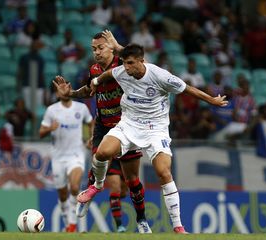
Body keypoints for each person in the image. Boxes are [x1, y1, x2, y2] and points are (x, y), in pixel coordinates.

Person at [54, 43, 228, 234]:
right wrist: (94, 83)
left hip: (156, 130)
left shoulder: (159, 75)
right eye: (123, 63)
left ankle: (178, 226)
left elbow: (187, 89)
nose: (126, 68)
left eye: (130, 63)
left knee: (163, 172)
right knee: (102, 152)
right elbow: (105, 76)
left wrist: (212, 100)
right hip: (129, 125)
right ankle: (96, 186)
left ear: (141, 61)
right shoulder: (121, 71)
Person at [56, 31, 151, 233]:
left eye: (100, 48)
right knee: (97, 161)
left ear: (111, 47)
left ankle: (142, 220)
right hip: (103, 125)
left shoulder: (125, 65)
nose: (96, 52)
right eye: (93, 49)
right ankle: (89, 195)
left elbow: (145, 67)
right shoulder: (94, 69)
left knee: (133, 181)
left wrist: (120, 48)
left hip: (126, 127)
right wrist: (70, 94)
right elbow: (89, 91)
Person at [39, 85, 94, 232]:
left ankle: (72, 223)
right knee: (62, 194)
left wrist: (91, 138)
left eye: (67, 88)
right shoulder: (52, 110)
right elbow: (41, 132)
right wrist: (50, 128)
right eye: (60, 89)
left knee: (75, 187)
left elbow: (91, 122)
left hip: (76, 154)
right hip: (58, 157)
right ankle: (66, 220)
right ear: (57, 93)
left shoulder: (81, 108)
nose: (64, 91)